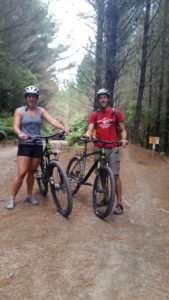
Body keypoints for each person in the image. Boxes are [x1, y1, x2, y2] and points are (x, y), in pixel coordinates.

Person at [6, 85, 69, 209]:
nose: (31, 98)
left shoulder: (40, 110)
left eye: (34, 96)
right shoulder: (19, 110)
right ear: (26, 97)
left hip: (37, 144)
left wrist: (63, 128)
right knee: (21, 172)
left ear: (36, 98)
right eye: (29, 96)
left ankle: (29, 195)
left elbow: (52, 121)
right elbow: (15, 126)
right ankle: (12, 198)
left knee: (32, 171)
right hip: (25, 144)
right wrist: (20, 133)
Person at [84, 88, 128, 215]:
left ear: (108, 99)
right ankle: (105, 198)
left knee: (115, 175)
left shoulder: (115, 112)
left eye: (105, 97)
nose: (102, 99)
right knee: (102, 174)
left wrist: (124, 139)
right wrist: (88, 133)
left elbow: (122, 129)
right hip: (99, 147)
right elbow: (90, 127)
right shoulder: (95, 114)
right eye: (100, 98)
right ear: (98, 100)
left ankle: (119, 204)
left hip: (112, 147)